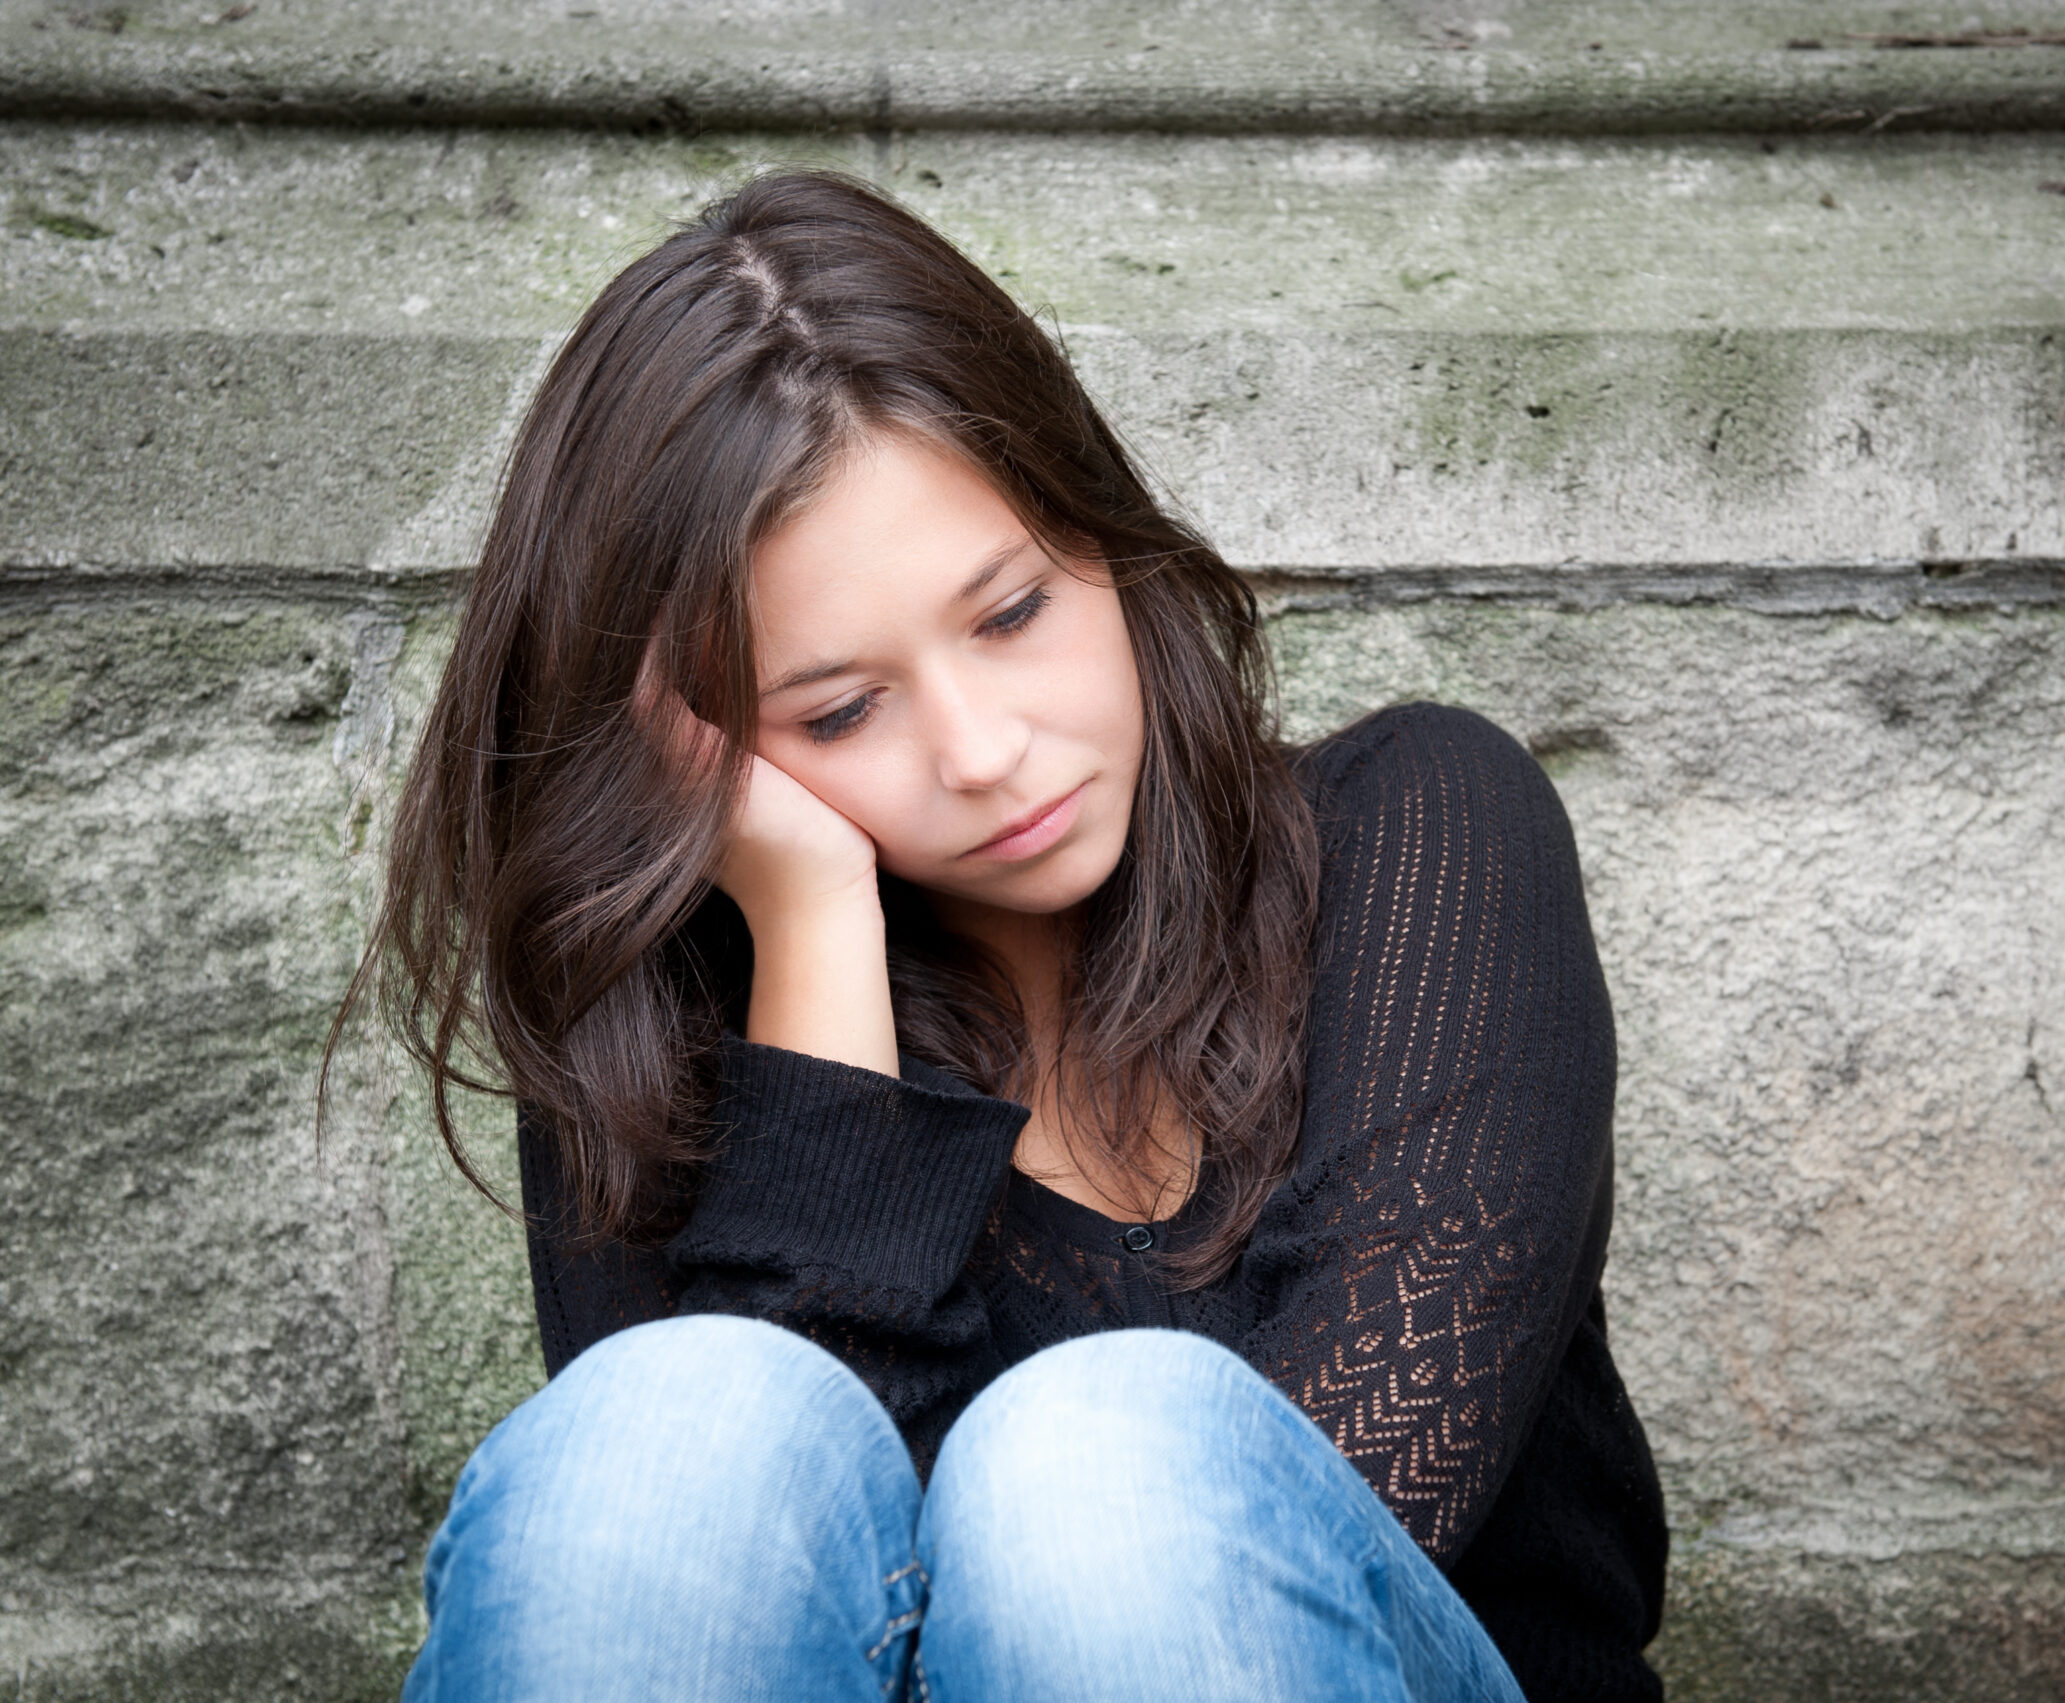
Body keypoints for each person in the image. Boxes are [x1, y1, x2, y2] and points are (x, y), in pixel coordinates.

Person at [351, 168, 1665, 1703]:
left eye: (1012, 613)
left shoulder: (1425, 833)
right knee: (681, 1432)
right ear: (696, 754)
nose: (981, 751)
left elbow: (1314, 1542)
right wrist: (812, 923)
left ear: (1096, 534)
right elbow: (778, 1609)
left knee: (1103, 1467)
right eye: (839, 710)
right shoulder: (661, 1049)